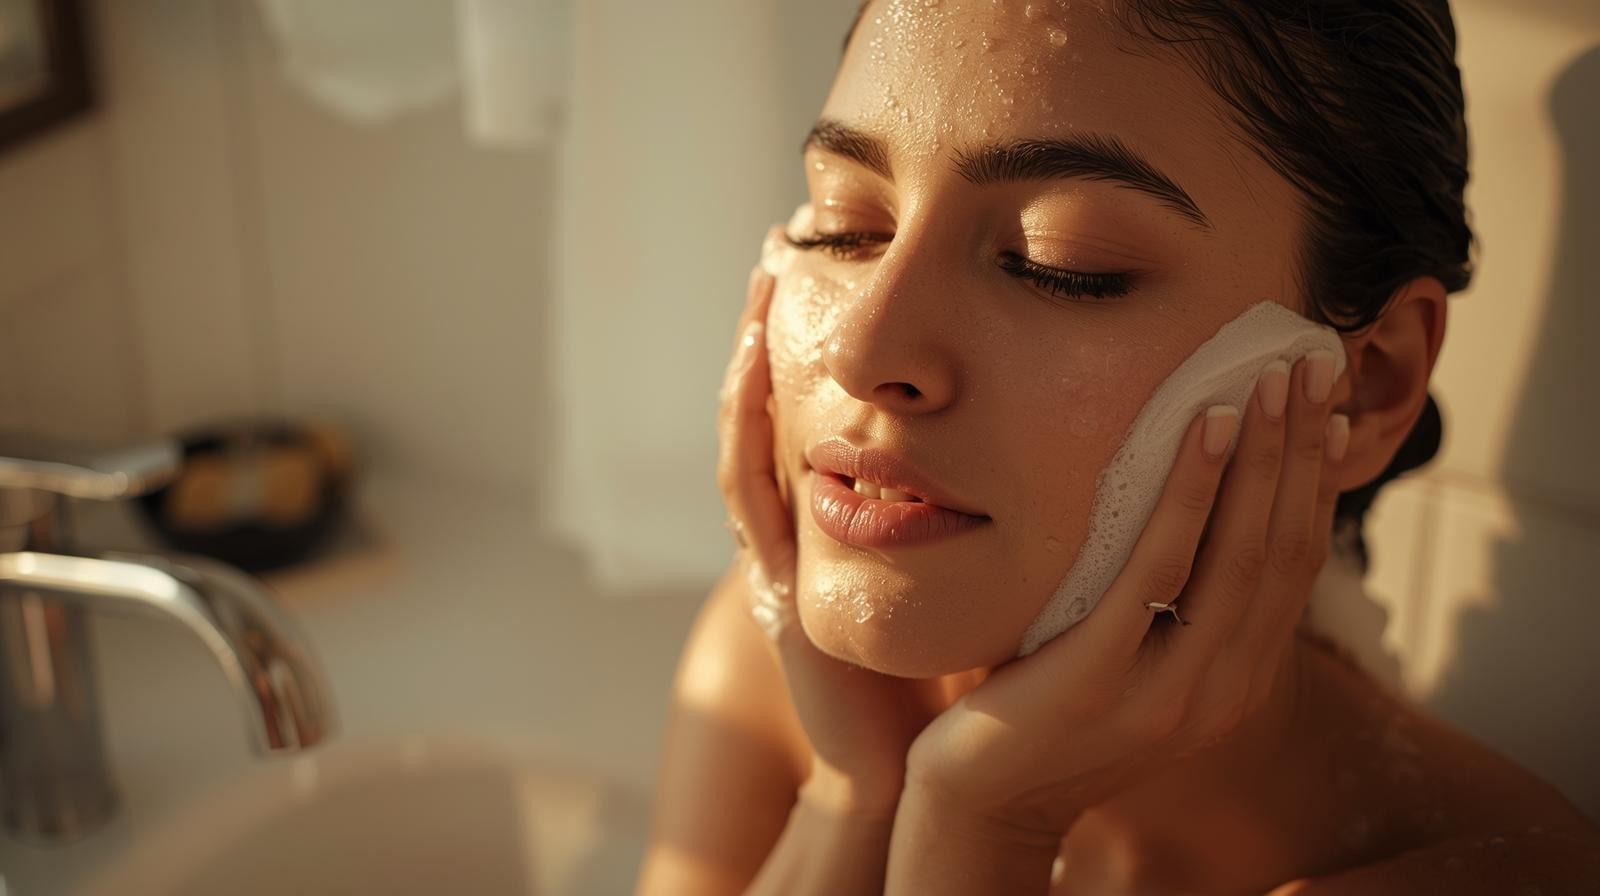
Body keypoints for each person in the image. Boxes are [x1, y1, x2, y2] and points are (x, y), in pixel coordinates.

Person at [637, 1, 1600, 892]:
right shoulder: (793, 680)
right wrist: (854, 802)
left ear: (1369, 381)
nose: (862, 351)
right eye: (849, 229)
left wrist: (982, 831)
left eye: (1064, 266)